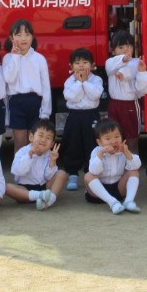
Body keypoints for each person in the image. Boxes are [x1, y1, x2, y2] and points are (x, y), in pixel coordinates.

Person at [2, 19, 51, 153]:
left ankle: (34, 167)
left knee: (35, 143)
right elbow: (9, 79)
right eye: (18, 35)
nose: (23, 38)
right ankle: (19, 166)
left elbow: (46, 87)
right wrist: (16, 57)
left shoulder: (39, 59)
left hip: (35, 102)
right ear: (11, 38)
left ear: (32, 37)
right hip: (16, 103)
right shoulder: (8, 58)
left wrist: (45, 112)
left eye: (27, 34)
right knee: (20, 143)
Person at [60, 48, 104, 192]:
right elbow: (72, 97)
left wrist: (85, 82)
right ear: (71, 66)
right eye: (77, 63)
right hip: (74, 116)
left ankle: (90, 173)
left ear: (92, 65)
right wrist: (79, 82)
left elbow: (95, 95)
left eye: (85, 62)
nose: (81, 65)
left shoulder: (96, 79)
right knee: (73, 144)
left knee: (91, 144)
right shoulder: (70, 81)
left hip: (91, 115)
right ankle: (73, 174)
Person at [104, 30, 147, 155]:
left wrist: (142, 72)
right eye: (121, 47)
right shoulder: (110, 63)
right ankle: (116, 162)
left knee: (132, 137)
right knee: (113, 136)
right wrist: (124, 59)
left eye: (129, 46)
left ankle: (133, 161)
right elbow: (114, 66)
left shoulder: (136, 62)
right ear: (113, 51)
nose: (125, 49)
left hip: (131, 105)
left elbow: (142, 88)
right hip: (114, 105)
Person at [6, 118, 68, 210]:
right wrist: (29, 156)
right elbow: (18, 172)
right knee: (6, 187)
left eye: (48, 138)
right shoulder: (22, 151)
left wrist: (52, 162)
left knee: (62, 174)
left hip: (44, 187)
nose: (43, 140)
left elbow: (49, 177)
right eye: (40, 136)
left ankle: (50, 200)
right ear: (31, 137)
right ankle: (38, 196)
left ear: (52, 144)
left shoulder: (49, 154)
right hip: (25, 189)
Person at [84, 119, 142, 215]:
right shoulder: (96, 151)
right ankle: (112, 202)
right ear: (99, 142)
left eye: (117, 136)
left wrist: (128, 154)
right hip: (97, 192)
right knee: (88, 176)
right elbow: (94, 171)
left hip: (118, 189)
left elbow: (136, 166)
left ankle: (129, 201)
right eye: (107, 138)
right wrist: (101, 155)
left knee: (134, 172)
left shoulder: (123, 150)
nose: (113, 141)